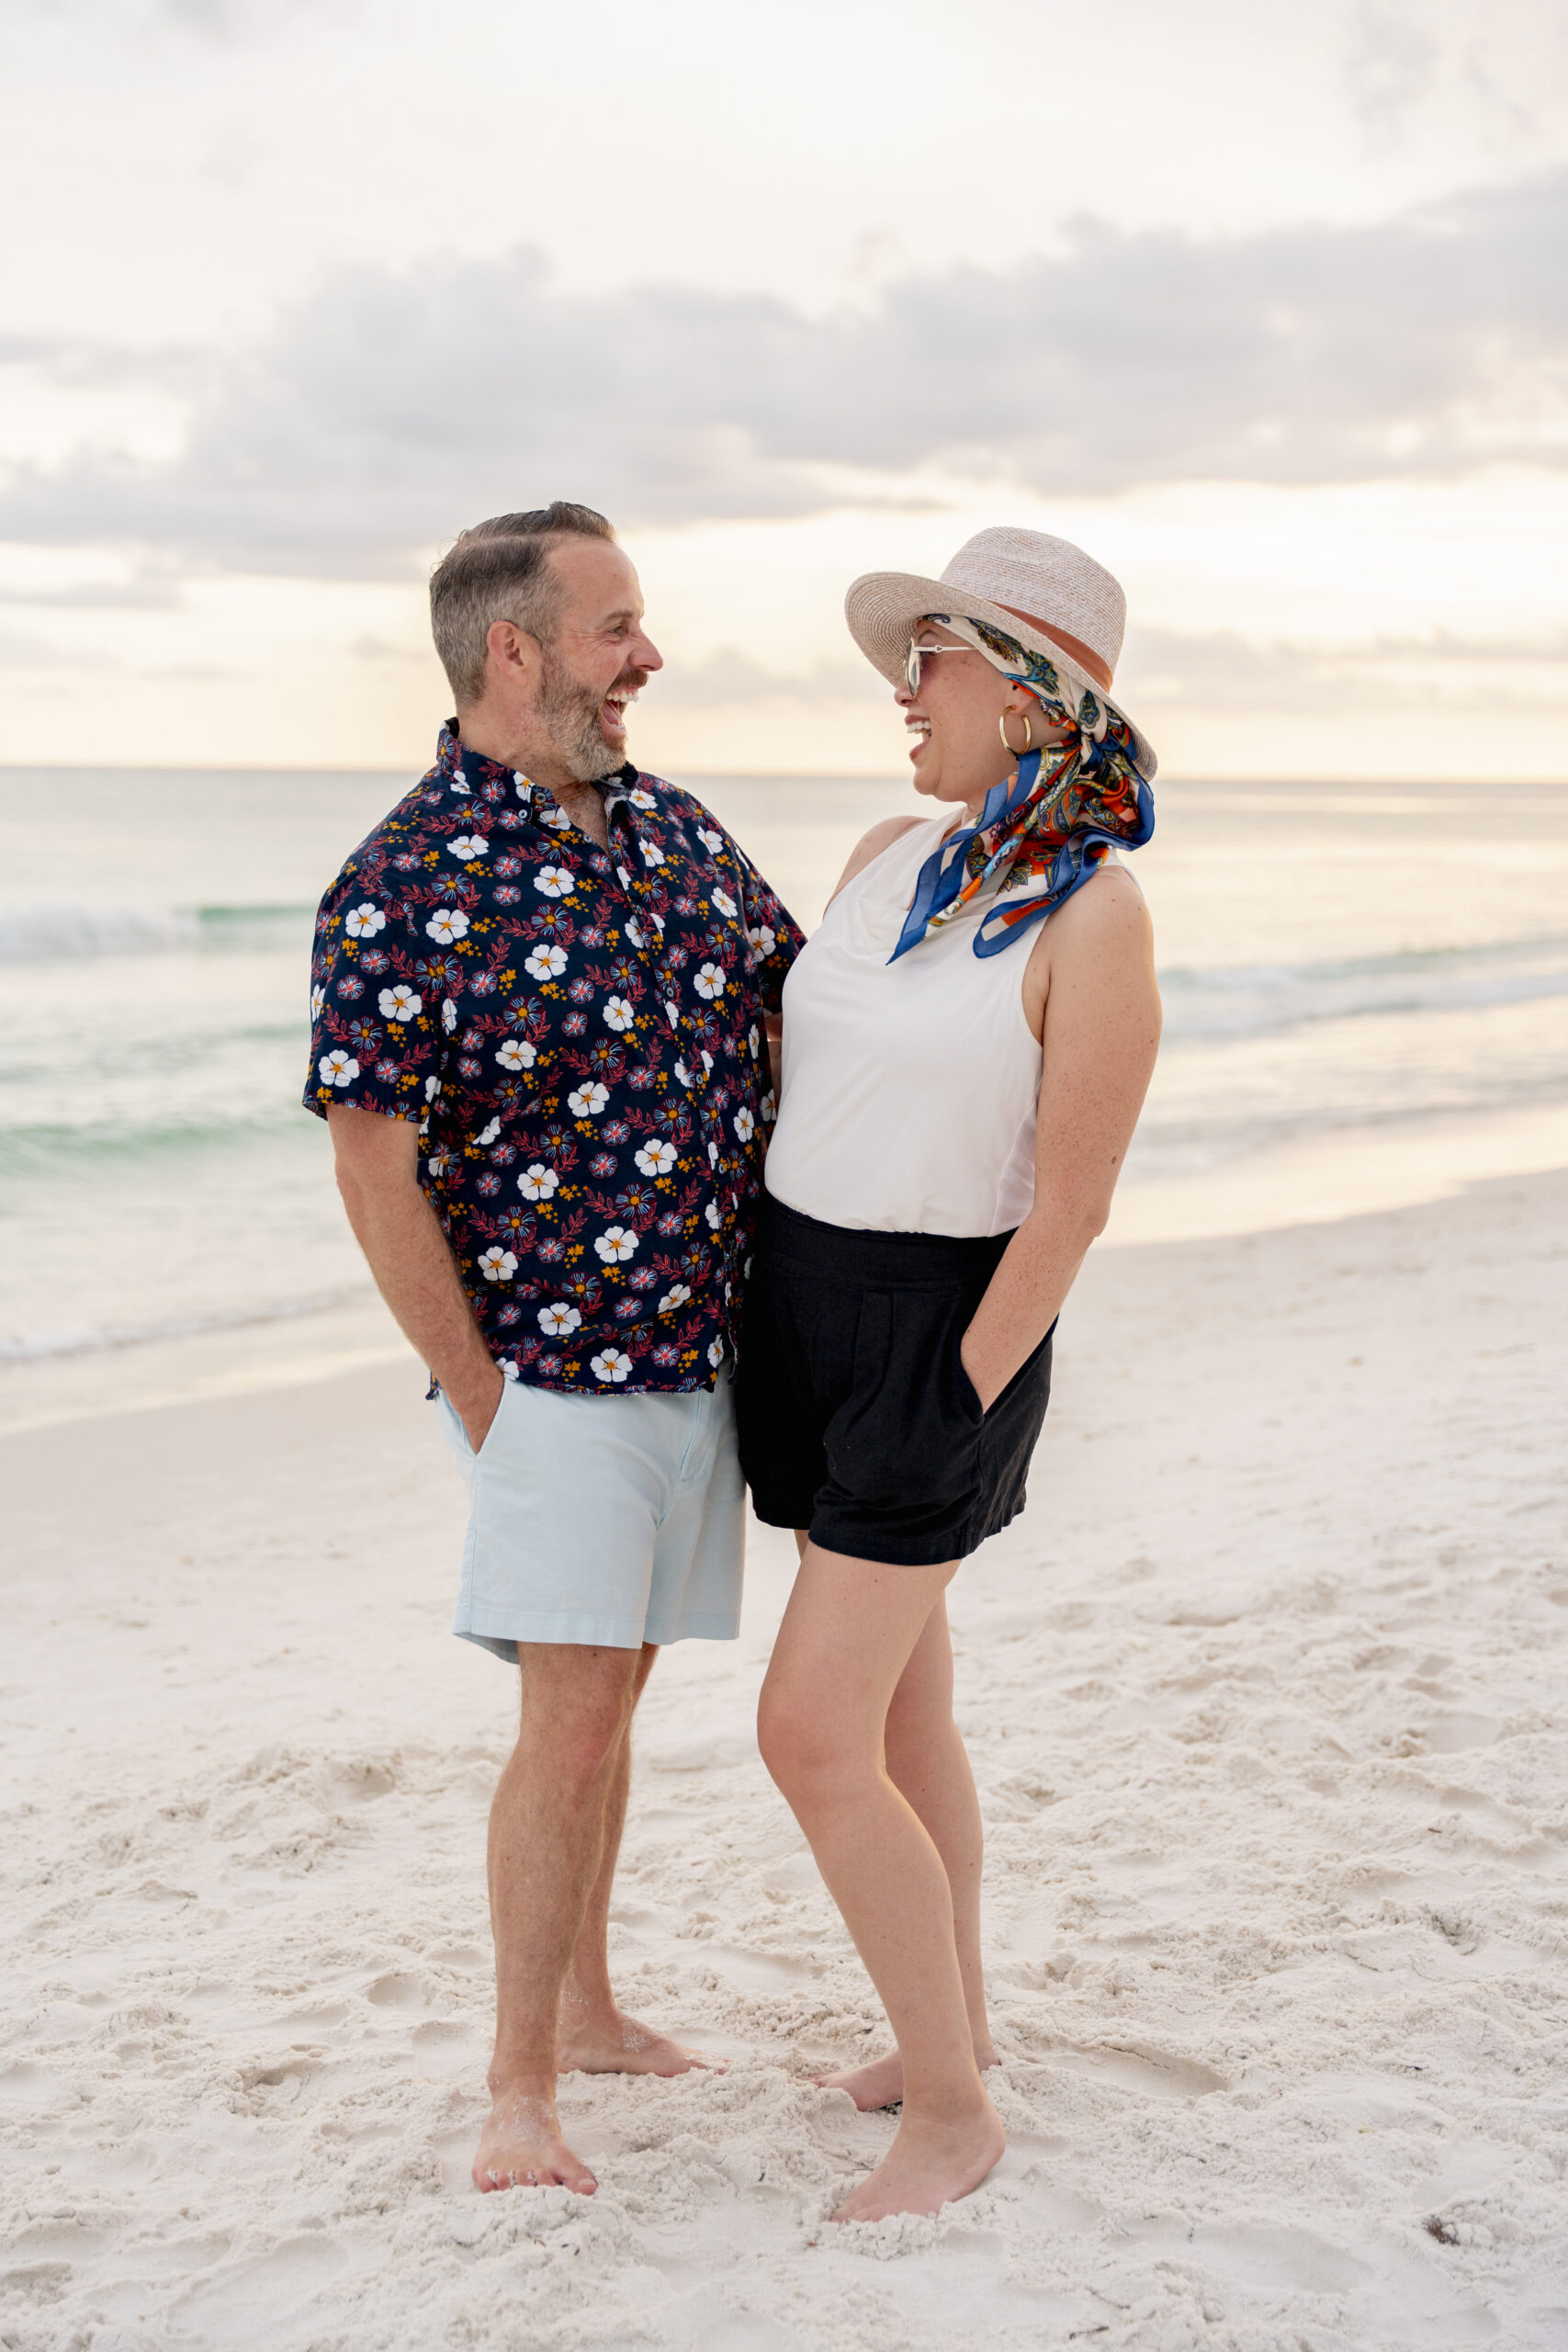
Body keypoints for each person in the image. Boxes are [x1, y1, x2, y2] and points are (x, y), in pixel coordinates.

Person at [303, 503, 802, 2199]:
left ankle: (589, 2008)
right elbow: (370, 1159)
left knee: (615, 1697)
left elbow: (796, 1009)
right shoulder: (401, 881)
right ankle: (519, 2095)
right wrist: (483, 1398)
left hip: (699, 1349)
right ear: (513, 649)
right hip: (552, 1373)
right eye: (616, 629)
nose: (646, 659)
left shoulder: (669, 826)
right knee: (571, 1719)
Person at [736, 526, 1163, 2222]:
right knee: (909, 1717)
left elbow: (1073, 1203)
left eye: (935, 657)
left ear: (1034, 692)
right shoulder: (880, 856)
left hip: (943, 1340)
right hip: (802, 1313)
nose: (905, 689)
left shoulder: (1099, 916)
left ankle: (959, 2112)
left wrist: (955, 1388)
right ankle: (946, 2034)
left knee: (806, 1731)